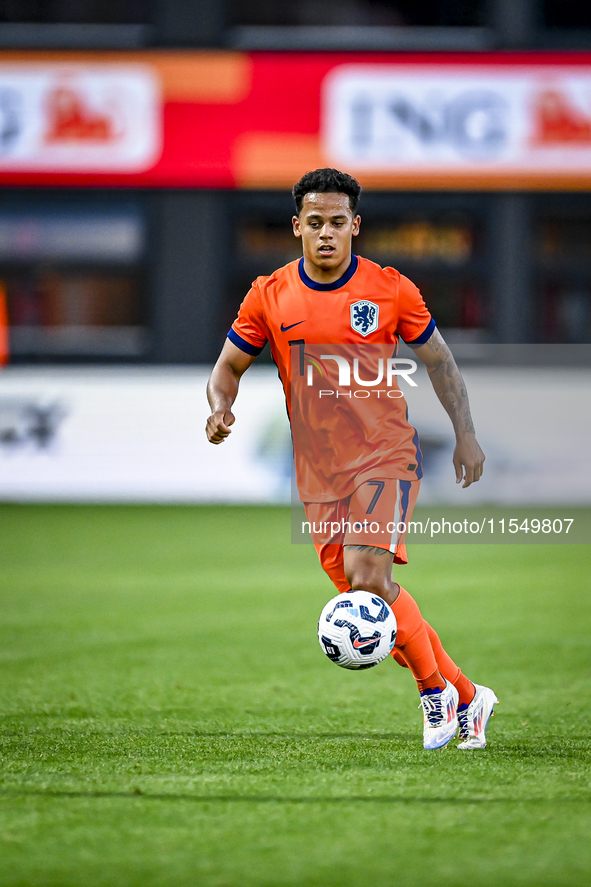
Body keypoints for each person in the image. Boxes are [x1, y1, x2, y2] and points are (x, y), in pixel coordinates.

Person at [206, 168, 498, 750]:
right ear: (296, 227)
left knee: (368, 579)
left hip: (384, 454)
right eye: (314, 223)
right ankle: (468, 696)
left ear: (355, 226)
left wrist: (465, 434)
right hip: (318, 473)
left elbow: (440, 363)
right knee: (368, 598)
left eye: (337, 223)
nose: (326, 234)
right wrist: (220, 408)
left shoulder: (391, 289)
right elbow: (227, 368)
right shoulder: (268, 296)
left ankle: (433, 693)